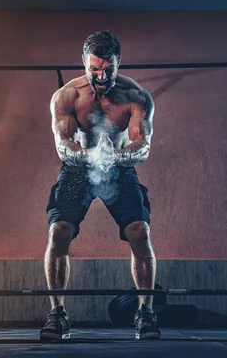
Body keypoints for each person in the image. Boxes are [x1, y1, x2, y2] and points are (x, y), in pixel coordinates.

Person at [41, 31, 160, 341]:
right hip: (78, 169)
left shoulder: (135, 96)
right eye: (94, 68)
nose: (101, 75)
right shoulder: (66, 97)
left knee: (140, 231)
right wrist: (90, 155)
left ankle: (145, 312)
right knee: (58, 232)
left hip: (119, 168)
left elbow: (143, 147)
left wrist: (116, 156)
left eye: (108, 68)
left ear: (118, 63)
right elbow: (63, 147)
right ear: (84, 62)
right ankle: (57, 314)